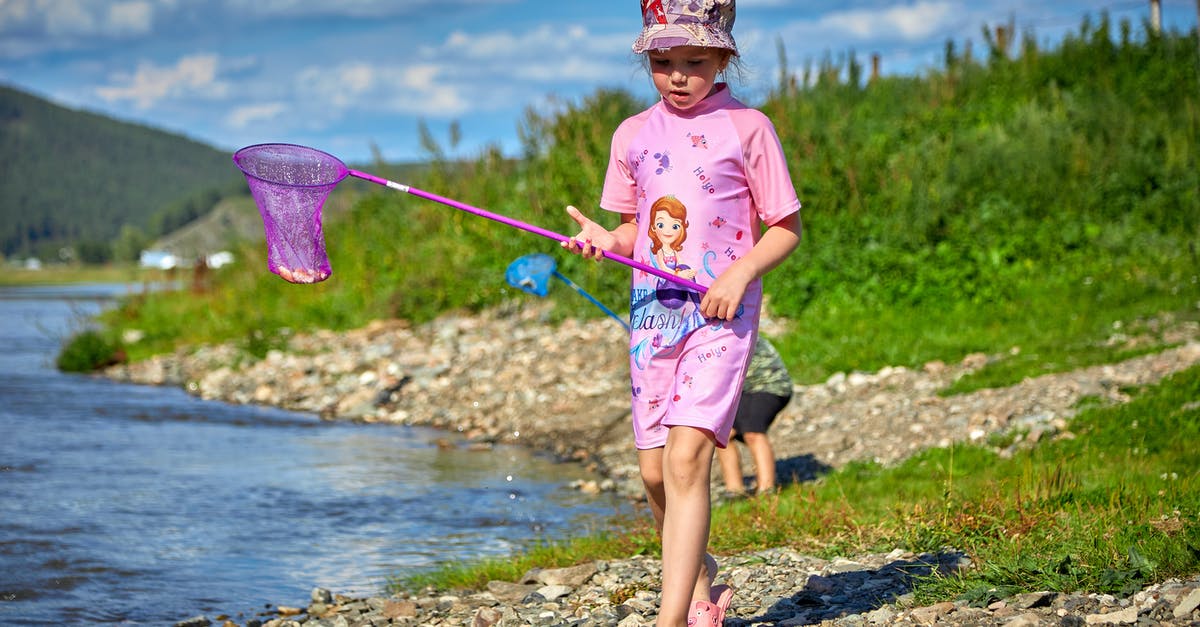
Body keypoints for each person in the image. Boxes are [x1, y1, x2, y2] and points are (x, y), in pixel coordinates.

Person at [561, 1, 803, 624]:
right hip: (653, 318)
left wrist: (741, 271)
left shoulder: (748, 128)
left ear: (724, 56)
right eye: (662, 62)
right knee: (654, 472)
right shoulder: (631, 134)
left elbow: (785, 228)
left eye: (693, 61)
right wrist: (602, 239)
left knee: (689, 454)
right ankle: (699, 572)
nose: (676, 75)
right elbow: (628, 231)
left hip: (721, 317)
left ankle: (674, 617)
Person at [716, 334, 793, 497]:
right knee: (723, 435)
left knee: (753, 432)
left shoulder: (728, 328)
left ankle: (767, 489)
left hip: (770, 385)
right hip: (742, 390)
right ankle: (734, 490)